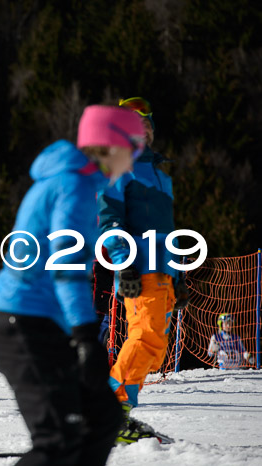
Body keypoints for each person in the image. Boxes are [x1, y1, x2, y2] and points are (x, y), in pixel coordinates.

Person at [0, 105, 145, 465]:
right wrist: (86, 335)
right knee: (59, 439)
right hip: (19, 320)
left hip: (41, 322)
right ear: (111, 144)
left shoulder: (83, 183)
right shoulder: (72, 184)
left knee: (103, 417)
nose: (134, 161)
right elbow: (66, 265)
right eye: (133, 149)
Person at [98, 97, 189, 443]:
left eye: (148, 121)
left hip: (165, 273)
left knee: (153, 348)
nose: (145, 126)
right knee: (145, 336)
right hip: (140, 268)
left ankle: (121, 415)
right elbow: (109, 223)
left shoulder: (161, 175)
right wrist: (125, 265)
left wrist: (179, 277)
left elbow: (170, 232)